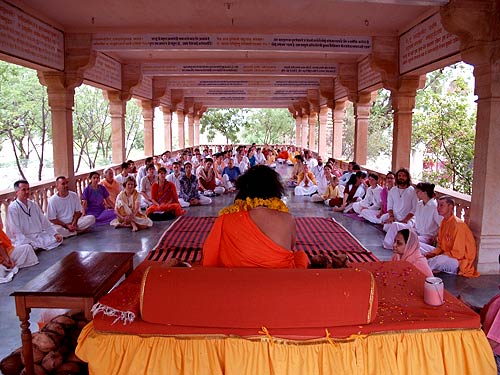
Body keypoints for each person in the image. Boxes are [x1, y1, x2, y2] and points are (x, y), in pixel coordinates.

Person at [202, 165, 309, 268]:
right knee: (300, 256)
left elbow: (209, 256)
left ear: (243, 191)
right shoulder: (287, 218)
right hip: (279, 277)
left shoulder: (225, 219)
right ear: (275, 191)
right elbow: (290, 247)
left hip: (236, 277)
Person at [424, 196, 479, 277]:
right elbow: (440, 246)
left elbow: (458, 253)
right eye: (438, 205)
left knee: (438, 259)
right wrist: (432, 253)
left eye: (441, 205)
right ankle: (428, 265)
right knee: (420, 246)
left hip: (458, 261)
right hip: (446, 254)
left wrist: (438, 255)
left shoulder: (458, 225)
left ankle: (421, 271)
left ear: (450, 207)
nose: (438, 208)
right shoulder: (444, 222)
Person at [382, 182, 442, 249]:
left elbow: (442, 225)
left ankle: (402, 248)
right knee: (395, 225)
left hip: (426, 236)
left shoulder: (435, 207)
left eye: (418, 192)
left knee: (409, 240)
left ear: (425, 193)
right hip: (415, 231)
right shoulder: (419, 204)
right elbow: (416, 219)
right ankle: (389, 245)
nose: (416, 193)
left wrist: (436, 236)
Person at [6, 180, 63, 250]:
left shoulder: (33, 204)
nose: (27, 192)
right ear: (17, 192)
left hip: (38, 236)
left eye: (28, 189)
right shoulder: (13, 208)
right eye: (23, 190)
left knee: (57, 238)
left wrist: (55, 234)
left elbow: (44, 221)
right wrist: (27, 242)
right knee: (27, 247)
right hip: (24, 238)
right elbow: (15, 230)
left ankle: (37, 246)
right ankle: (34, 247)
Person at [382, 168, 418, 232]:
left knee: (396, 228)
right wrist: (391, 216)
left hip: (408, 219)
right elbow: (390, 207)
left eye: (404, 176)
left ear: (408, 178)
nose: (401, 177)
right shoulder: (393, 190)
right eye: (399, 176)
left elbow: (414, 209)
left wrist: (405, 220)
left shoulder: (412, 191)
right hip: (395, 217)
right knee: (386, 227)